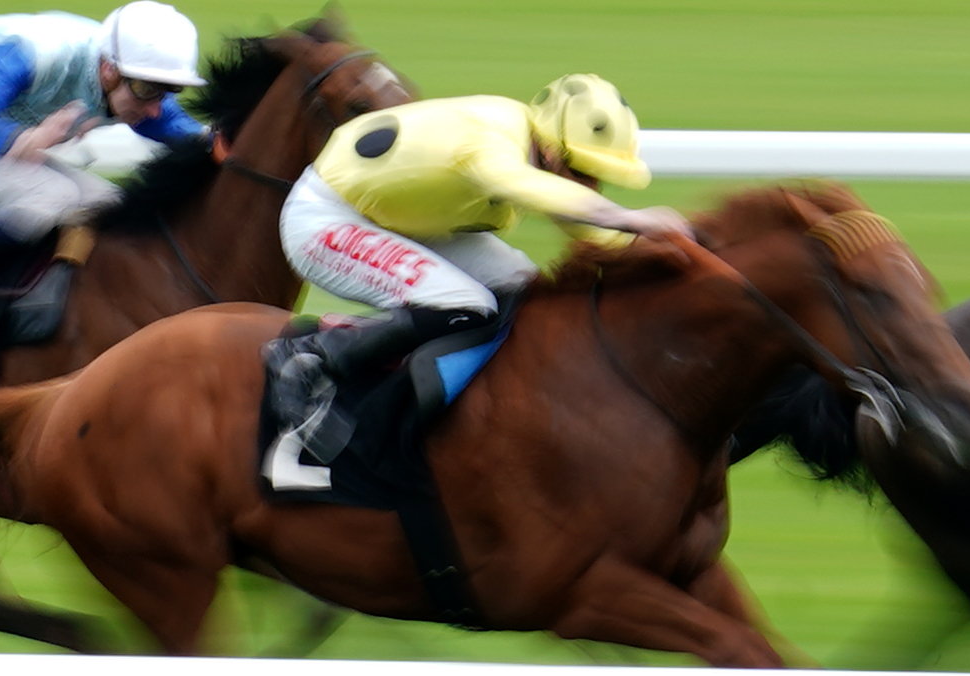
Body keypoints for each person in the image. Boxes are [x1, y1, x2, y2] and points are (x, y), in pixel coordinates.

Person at [263, 74, 686, 485]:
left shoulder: (539, 148)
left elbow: (592, 234)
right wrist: (629, 218)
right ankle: (312, 359)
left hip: (400, 217)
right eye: (584, 172)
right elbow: (527, 187)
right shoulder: (491, 138)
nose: (592, 186)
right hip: (327, 219)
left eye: (599, 179)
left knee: (527, 288)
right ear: (553, 153)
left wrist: (672, 259)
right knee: (465, 304)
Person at [0, 1, 210, 366]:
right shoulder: (38, 53)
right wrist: (20, 139)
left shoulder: (122, 80)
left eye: (167, 91)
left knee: (106, 202)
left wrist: (221, 143)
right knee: (51, 196)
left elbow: (169, 124)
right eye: (147, 89)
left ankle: (30, 306)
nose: (155, 107)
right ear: (108, 69)